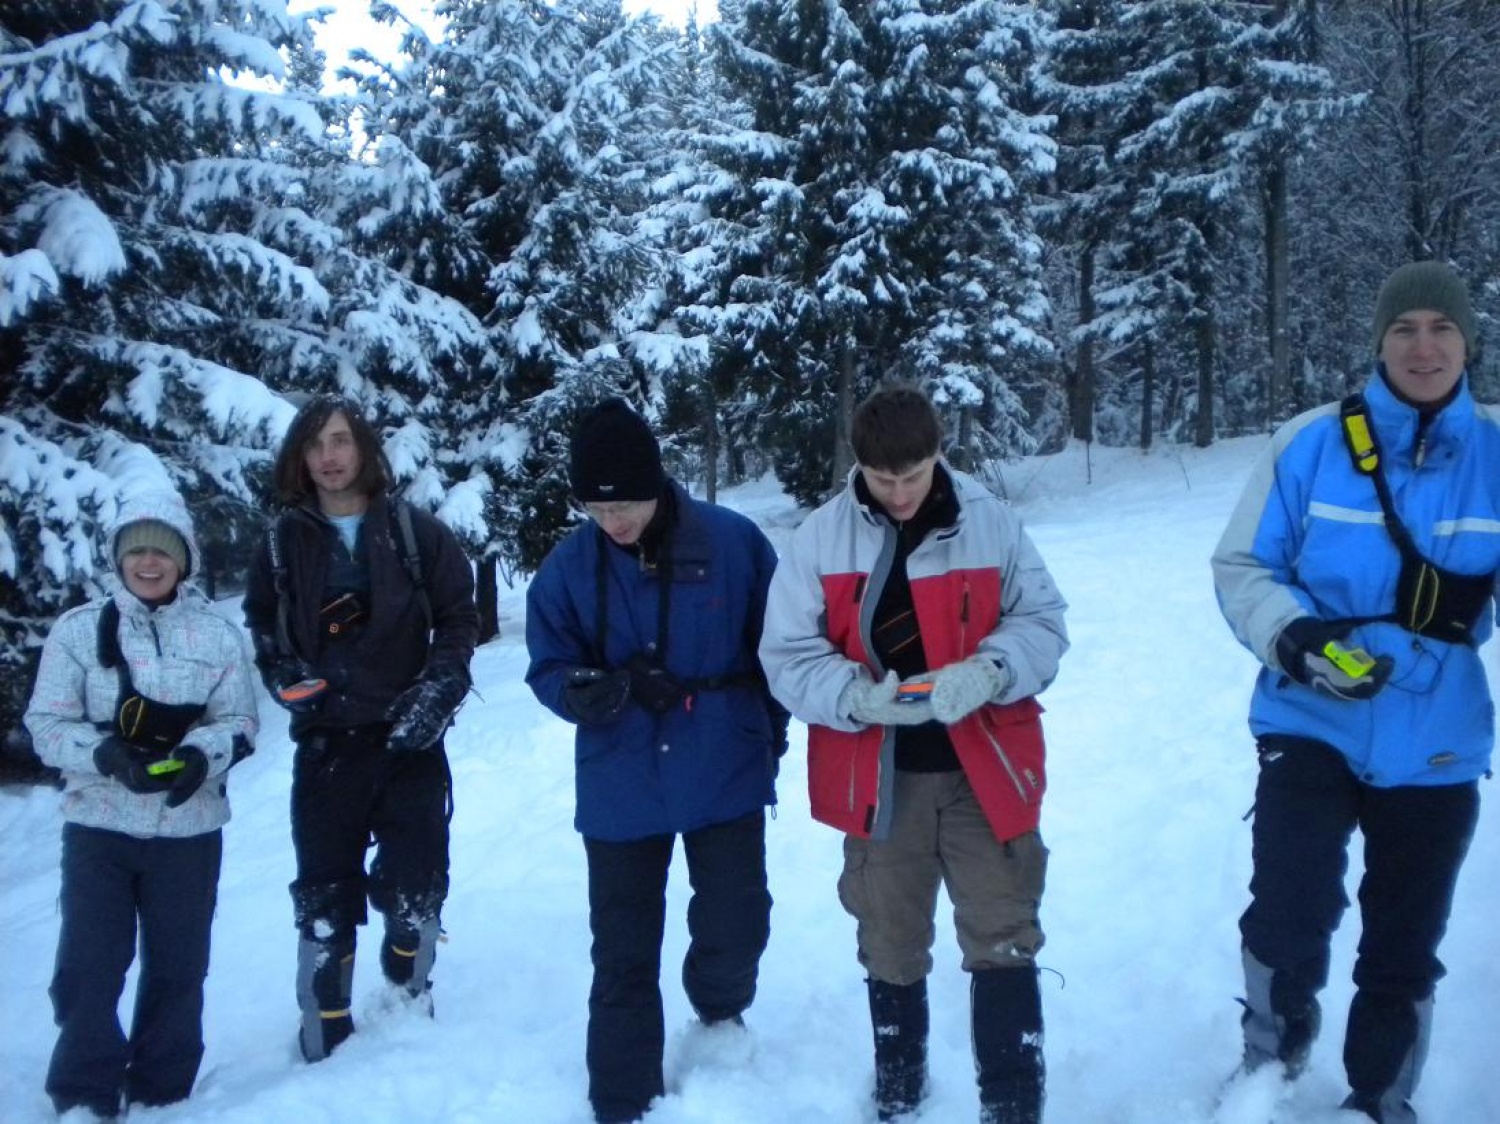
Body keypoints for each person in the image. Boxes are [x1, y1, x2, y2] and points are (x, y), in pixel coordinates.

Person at [1212, 260, 1500, 1123]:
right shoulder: (1309, 442)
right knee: (1290, 910)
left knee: (1404, 939)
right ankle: (1270, 1062)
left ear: (1468, 342)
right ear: (1378, 341)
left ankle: (1377, 1098)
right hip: (1311, 715)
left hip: (1439, 732)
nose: (1423, 345)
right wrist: (1296, 638)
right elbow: (1242, 565)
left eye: (1441, 328)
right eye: (1404, 328)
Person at [758, 384, 1069, 1124]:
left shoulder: (990, 523)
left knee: (1003, 933)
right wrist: (851, 694)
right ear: (858, 465)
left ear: (940, 454)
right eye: (883, 477)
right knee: (890, 940)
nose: (899, 493)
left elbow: (1044, 624)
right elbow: (785, 654)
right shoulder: (820, 539)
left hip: (984, 769)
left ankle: (1012, 1101)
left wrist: (991, 670)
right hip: (879, 776)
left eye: (914, 473)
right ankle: (899, 1088)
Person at [525, 398, 787, 1124]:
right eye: (596, 508)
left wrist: (770, 731)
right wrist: (588, 691)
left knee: (738, 922)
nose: (614, 522)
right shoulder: (569, 567)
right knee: (622, 954)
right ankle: (621, 1102)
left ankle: (719, 1005)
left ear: (658, 482)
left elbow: (781, 647)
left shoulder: (735, 544)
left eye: (628, 504)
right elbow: (548, 666)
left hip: (724, 767)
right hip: (620, 785)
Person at [243, 395, 478, 1063]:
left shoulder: (413, 530)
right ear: (300, 458)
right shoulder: (280, 542)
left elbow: (460, 617)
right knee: (324, 893)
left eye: (341, 441)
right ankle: (325, 1027)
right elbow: (263, 626)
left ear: (364, 448)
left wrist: (439, 690)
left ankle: (408, 977)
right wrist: (283, 673)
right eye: (316, 445)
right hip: (326, 744)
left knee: (417, 885)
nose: (330, 456)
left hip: (410, 738)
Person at [25, 491, 258, 1117]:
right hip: (99, 825)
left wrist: (200, 757)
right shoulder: (78, 631)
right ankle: (84, 1092)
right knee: (89, 966)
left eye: (162, 550)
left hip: (190, 826)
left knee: (180, 966)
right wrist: (104, 756)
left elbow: (239, 720)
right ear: (118, 559)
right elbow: (45, 724)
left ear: (183, 560)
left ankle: (163, 1090)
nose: (148, 563)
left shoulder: (218, 636)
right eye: (136, 550)